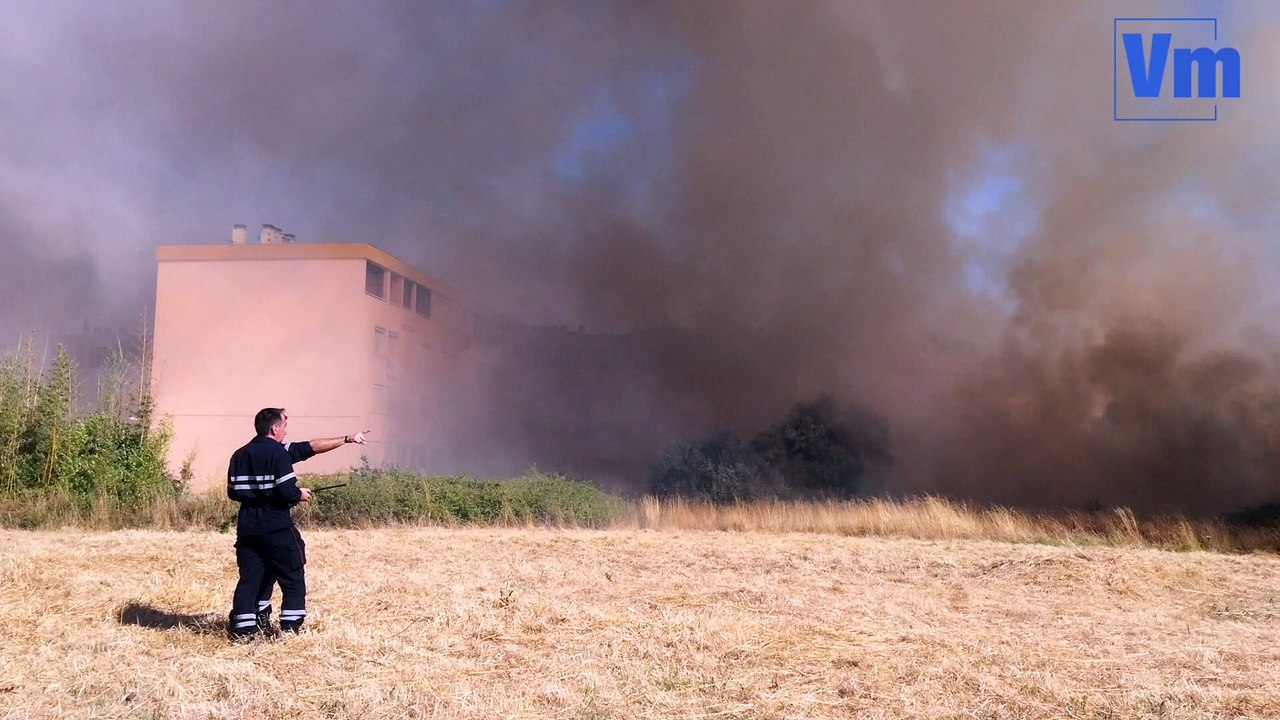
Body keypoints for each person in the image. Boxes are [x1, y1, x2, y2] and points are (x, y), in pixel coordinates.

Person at [227, 407, 369, 640]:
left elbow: (234, 493)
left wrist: (347, 439)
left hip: (248, 528)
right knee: (292, 576)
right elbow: (285, 492)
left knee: (250, 579)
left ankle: (243, 630)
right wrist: (298, 495)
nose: (286, 430)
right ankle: (290, 631)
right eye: (284, 425)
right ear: (275, 428)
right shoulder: (279, 454)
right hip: (276, 526)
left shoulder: (239, 455)